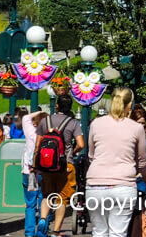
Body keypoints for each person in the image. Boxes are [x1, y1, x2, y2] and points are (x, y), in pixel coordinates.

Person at [82, 88, 146, 237]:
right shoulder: (136, 128)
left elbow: (91, 155)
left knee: (99, 232)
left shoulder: (96, 124)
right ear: (130, 104)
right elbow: (142, 160)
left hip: (95, 184)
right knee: (118, 232)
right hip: (123, 185)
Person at [37, 93, 85, 237]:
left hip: (46, 165)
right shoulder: (73, 123)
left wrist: (36, 164)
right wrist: (73, 151)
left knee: (46, 195)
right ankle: (56, 231)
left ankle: (43, 220)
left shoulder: (45, 121)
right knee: (61, 198)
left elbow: (38, 145)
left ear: (56, 105)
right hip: (66, 165)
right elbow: (81, 144)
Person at [21, 110, 47, 237]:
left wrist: (39, 112)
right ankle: (42, 231)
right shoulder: (48, 135)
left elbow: (25, 117)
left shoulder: (30, 131)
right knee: (44, 202)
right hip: (45, 172)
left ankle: (29, 232)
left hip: (29, 171)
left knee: (30, 204)